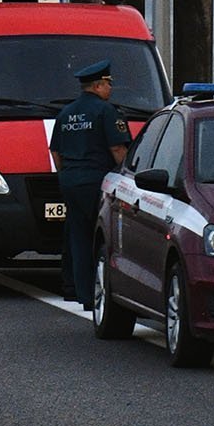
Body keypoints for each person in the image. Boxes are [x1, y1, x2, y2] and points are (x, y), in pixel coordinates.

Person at [48, 59, 131, 308]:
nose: (110, 89)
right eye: (108, 84)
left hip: (70, 181)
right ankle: (101, 293)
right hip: (98, 181)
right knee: (102, 238)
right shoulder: (107, 112)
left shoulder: (66, 113)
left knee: (77, 237)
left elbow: (56, 153)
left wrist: (68, 175)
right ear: (97, 86)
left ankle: (81, 292)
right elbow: (117, 148)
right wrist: (127, 176)